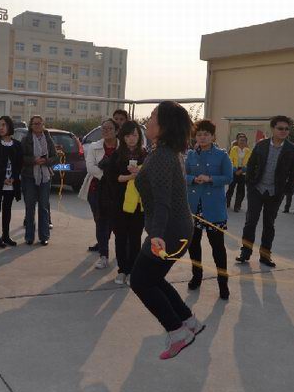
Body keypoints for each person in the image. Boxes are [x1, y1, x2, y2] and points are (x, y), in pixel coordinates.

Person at [129, 101, 204, 360]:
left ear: (164, 126)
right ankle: (189, 322)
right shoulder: (165, 152)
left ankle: (178, 332)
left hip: (168, 232)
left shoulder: (162, 155)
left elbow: (162, 202)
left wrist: (156, 235)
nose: (148, 120)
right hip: (177, 228)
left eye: (153, 116)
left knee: (140, 281)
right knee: (153, 279)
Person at [236, 116, 294, 267]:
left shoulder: (292, 149)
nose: (284, 131)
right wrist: (250, 184)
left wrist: (287, 191)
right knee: (250, 222)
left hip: (275, 192)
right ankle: (245, 252)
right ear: (273, 129)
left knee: (269, 224)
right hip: (257, 190)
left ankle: (265, 256)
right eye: (280, 128)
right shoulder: (261, 145)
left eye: (287, 129)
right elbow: (251, 165)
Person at [185, 120, 233, 300]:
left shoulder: (222, 155)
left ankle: (223, 283)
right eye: (199, 134)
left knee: (218, 247)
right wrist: (192, 179)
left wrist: (211, 178)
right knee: (193, 245)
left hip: (213, 208)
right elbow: (183, 175)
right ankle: (196, 276)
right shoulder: (190, 155)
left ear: (213, 136)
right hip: (194, 207)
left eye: (206, 134)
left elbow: (228, 177)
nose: (202, 137)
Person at [106, 120, 146, 284]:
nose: (131, 139)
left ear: (139, 136)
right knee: (121, 237)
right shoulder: (117, 155)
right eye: (128, 136)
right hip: (120, 203)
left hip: (138, 204)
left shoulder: (145, 155)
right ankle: (122, 270)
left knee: (135, 238)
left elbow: (150, 179)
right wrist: (131, 176)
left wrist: (139, 174)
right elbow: (111, 177)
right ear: (123, 137)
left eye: (134, 135)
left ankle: (133, 271)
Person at [78, 119, 119, 267]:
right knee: (101, 222)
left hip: (116, 191)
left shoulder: (122, 147)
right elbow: (90, 167)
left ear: (116, 131)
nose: (106, 131)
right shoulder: (94, 146)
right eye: (104, 128)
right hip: (96, 190)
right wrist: (108, 176)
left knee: (114, 223)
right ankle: (103, 255)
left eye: (110, 128)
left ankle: (117, 253)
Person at [0, 116, 23, 247]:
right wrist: (3, 179)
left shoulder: (17, 144)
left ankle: (6, 236)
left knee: (7, 209)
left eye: (4, 125)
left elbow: (19, 164)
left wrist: (13, 178)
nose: (0, 128)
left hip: (11, 183)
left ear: (9, 126)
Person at [21, 115, 57, 246]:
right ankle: (29, 237)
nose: (37, 126)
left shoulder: (48, 139)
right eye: (35, 124)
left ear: (43, 125)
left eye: (40, 123)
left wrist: (46, 161)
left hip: (45, 177)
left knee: (43, 207)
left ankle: (44, 236)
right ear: (31, 126)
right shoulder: (26, 139)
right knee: (30, 207)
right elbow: (21, 157)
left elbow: (55, 157)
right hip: (29, 176)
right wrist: (33, 160)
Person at [226, 133, 251, 212]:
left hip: (243, 172)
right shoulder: (234, 149)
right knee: (231, 188)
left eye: (244, 140)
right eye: (240, 140)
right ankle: (227, 203)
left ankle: (237, 206)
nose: (242, 142)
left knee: (241, 190)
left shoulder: (248, 151)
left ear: (246, 142)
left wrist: (242, 170)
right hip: (234, 170)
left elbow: (250, 163)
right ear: (237, 141)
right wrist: (234, 170)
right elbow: (230, 160)